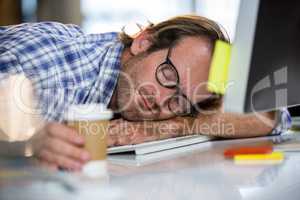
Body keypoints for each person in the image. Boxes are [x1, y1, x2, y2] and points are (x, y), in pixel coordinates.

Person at [0, 15, 290, 171]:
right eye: (167, 75)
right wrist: (24, 142)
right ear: (144, 41)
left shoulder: (169, 105)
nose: (161, 101)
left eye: (179, 101)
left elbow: (274, 114)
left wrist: (176, 125)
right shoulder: (52, 66)